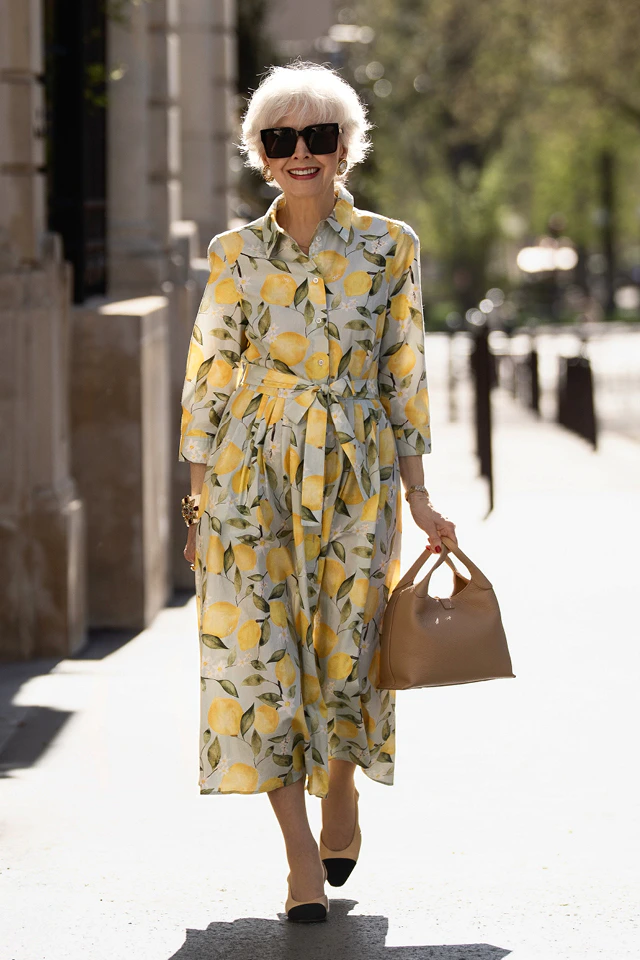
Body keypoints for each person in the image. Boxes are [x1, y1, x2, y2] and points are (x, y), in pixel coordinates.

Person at [178, 62, 457, 922]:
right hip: (246, 477)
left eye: (320, 137)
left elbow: (403, 376)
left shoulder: (389, 246)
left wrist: (420, 499)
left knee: (347, 646)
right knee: (260, 660)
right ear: (260, 155)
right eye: (281, 139)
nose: (301, 153)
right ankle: (300, 857)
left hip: (355, 479)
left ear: (345, 149)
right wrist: (195, 508)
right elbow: (208, 380)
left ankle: (343, 782)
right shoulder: (233, 254)